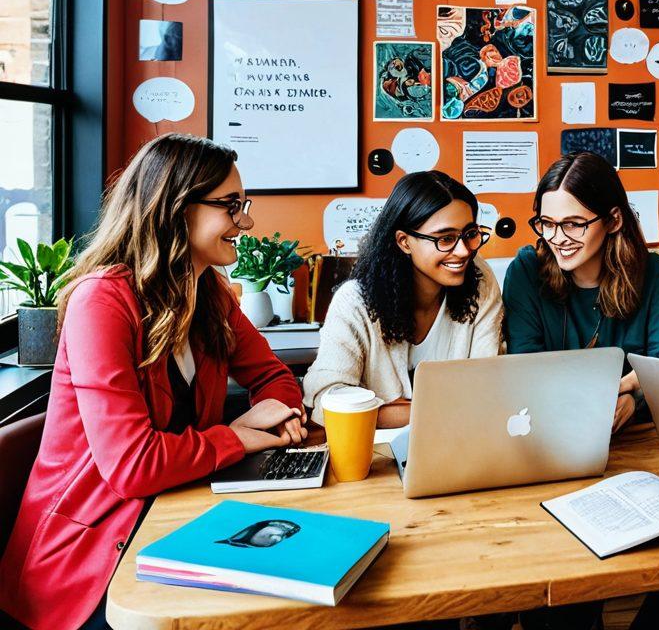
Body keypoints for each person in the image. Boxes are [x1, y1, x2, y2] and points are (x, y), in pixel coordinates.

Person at [0, 134, 307, 630]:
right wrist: (237, 436)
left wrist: (280, 413)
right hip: (90, 560)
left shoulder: (209, 292)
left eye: (243, 204)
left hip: (172, 515)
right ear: (176, 208)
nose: (245, 221)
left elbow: (272, 375)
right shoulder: (101, 302)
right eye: (231, 206)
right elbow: (132, 467)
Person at [503, 151, 659, 630]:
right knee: (566, 602)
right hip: (551, 449)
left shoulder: (652, 272)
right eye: (546, 223)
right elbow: (526, 370)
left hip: (632, 450)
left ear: (613, 220)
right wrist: (626, 384)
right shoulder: (526, 271)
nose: (557, 239)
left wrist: (631, 394)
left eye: (573, 223)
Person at [303, 170, 503, 428]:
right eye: (446, 238)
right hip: (376, 455)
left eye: (469, 234)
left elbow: (485, 390)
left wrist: (382, 410)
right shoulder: (355, 301)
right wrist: (443, 408)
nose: (463, 250)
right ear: (404, 242)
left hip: (459, 444)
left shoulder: (480, 282)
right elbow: (327, 402)